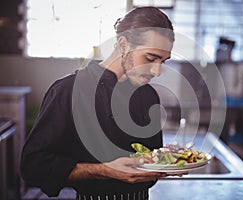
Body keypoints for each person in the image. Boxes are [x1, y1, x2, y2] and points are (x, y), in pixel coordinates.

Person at [20, 6, 176, 200]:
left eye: (163, 61)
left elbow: (152, 157)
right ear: (123, 45)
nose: (156, 71)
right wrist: (104, 170)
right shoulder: (68, 90)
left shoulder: (149, 96)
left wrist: (166, 160)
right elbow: (33, 166)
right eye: (150, 58)